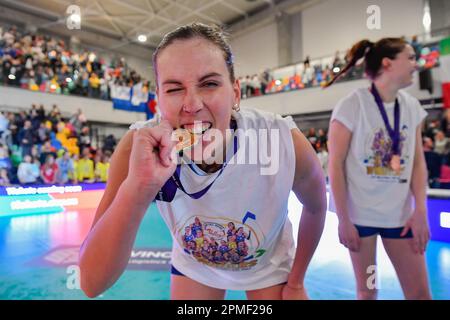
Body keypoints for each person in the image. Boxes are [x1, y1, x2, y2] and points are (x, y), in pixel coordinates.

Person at [79, 23, 326, 300]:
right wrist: (138, 187)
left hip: (268, 268)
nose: (192, 104)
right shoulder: (137, 148)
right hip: (194, 266)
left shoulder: (281, 140)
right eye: (173, 89)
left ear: (235, 93)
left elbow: (316, 208)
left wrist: (296, 282)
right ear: (157, 99)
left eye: (209, 84)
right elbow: (91, 282)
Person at [326, 38, 431, 299]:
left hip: (401, 218)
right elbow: (335, 166)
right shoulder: (352, 105)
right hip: (360, 218)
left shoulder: (412, 107)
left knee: (419, 294)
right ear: (388, 63)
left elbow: (418, 163)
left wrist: (420, 210)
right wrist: (343, 219)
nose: (415, 65)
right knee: (368, 292)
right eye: (410, 58)